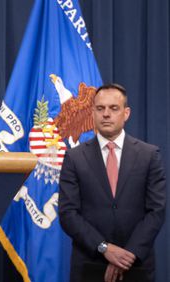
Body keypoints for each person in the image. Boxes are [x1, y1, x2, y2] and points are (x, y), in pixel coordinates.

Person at [59, 83, 166, 282]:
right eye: (100, 109)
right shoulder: (74, 158)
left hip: (136, 266)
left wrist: (127, 255)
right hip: (90, 266)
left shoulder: (149, 155)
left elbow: (156, 211)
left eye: (113, 108)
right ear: (92, 113)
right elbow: (68, 213)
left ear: (126, 113)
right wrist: (104, 248)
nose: (106, 114)